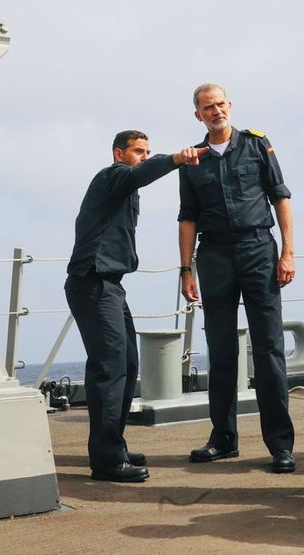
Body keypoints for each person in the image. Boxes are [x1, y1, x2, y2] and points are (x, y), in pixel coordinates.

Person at [65, 130, 203, 482]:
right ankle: (107, 461)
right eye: (138, 151)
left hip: (111, 285)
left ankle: (114, 445)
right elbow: (140, 173)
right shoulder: (113, 176)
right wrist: (176, 159)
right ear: (119, 154)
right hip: (93, 281)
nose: (143, 156)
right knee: (109, 369)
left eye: (148, 151)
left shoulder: (124, 187)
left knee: (126, 363)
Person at [177, 83, 298, 473]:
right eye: (207, 108)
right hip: (213, 255)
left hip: (258, 249)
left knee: (268, 349)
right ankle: (224, 438)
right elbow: (187, 217)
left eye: (220, 104)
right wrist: (186, 269)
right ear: (198, 115)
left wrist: (288, 251)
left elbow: (280, 196)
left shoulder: (258, 145)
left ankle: (280, 445)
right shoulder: (193, 160)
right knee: (222, 348)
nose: (216, 111)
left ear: (230, 106)